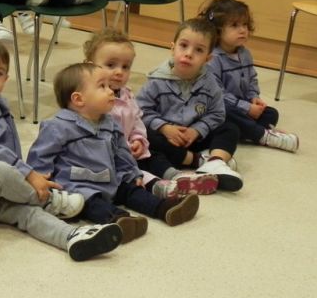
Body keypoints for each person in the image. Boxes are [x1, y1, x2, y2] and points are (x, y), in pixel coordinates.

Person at [0, 34, 123, 261]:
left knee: (27, 212)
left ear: (6, 78)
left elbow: (10, 147)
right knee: (0, 170)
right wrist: (28, 175)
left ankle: (71, 237)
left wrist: (23, 177)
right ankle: (49, 200)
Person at [27, 63, 199, 242]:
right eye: (102, 86)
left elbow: (121, 152)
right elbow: (41, 155)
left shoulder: (110, 122)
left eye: (109, 86)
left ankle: (165, 208)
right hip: (77, 184)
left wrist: (132, 172)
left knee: (132, 190)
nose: (111, 91)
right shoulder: (58, 126)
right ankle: (118, 221)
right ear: (78, 99)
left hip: (111, 179)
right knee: (92, 204)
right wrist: (40, 181)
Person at [84, 28, 218, 197]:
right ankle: (160, 186)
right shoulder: (89, 101)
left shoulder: (126, 94)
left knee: (152, 155)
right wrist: (124, 147)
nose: (119, 72)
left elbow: (137, 121)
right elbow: (91, 135)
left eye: (125, 67)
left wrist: (138, 139)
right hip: (108, 156)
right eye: (111, 65)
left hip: (131, 148)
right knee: (133, 171)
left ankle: (176, 176)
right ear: (89, 67)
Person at [136, 17, 244, 192]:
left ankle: (215, 162)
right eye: (183, 45)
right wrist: (164, 128)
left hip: (194, 138)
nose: (188, 53)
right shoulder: (156, 81)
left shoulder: (210, 83)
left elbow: (217, 113)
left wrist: (197, 130)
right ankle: (194, 164)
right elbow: (140, 111)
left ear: (207, 58)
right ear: (173, 48)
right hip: (166, 140)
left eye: (198, 50)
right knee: (145, 140)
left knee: (230, 128)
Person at [202, 0, 300, 152]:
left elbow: (252, 79)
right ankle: (262, 135)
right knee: (227, 114)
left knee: (271, 113)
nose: (243, 30)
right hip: (221, 107)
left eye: (245, 25)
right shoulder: (213, 58)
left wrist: (254, 97)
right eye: (235, 25)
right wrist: (246, 107)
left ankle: (247, 131)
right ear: (217, 31)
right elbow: (218, 94)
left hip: (242, 105)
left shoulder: (245, 54)